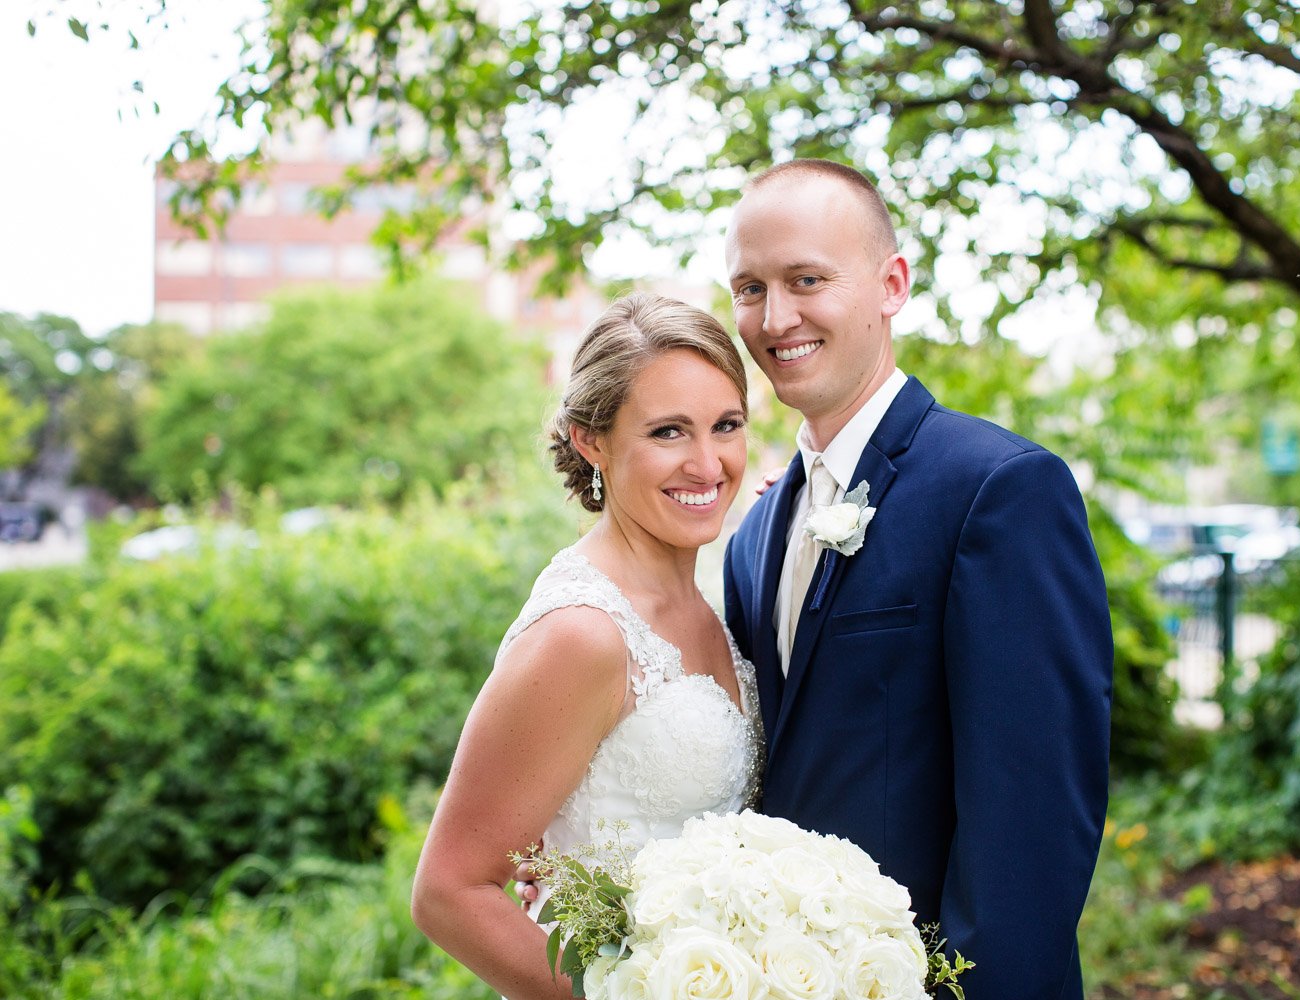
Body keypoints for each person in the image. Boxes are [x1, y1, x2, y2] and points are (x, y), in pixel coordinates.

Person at [720, 160, 1113, 999]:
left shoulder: (998, 489)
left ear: (892, 283)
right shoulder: (752, 537)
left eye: (807, 280)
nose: (775, 316)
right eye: (749, 288)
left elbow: (1033, 821)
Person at [411, 293, 763, 999]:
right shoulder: (584, 632)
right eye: (668, 432)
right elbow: (450, 891)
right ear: (589, 440)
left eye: (726, 425)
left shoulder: (709, 603)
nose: (707, 462)